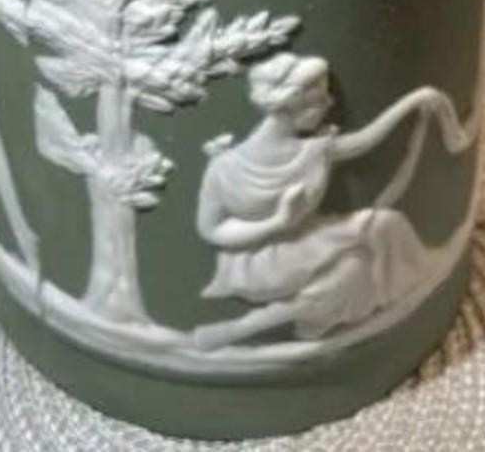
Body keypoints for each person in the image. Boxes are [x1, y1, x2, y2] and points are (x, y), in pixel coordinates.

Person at [195, 53, 468, 350]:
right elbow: (211, 230)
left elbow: (366, 140)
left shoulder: (312, 151)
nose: (329, 104)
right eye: (320, 99)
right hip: (260, 259)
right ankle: (246, 328)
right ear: (291, 104)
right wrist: (275, 223)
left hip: (307, 238)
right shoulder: (224, 167)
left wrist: (415, 101)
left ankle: (424, 274)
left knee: (375, 241)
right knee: (363, 258)